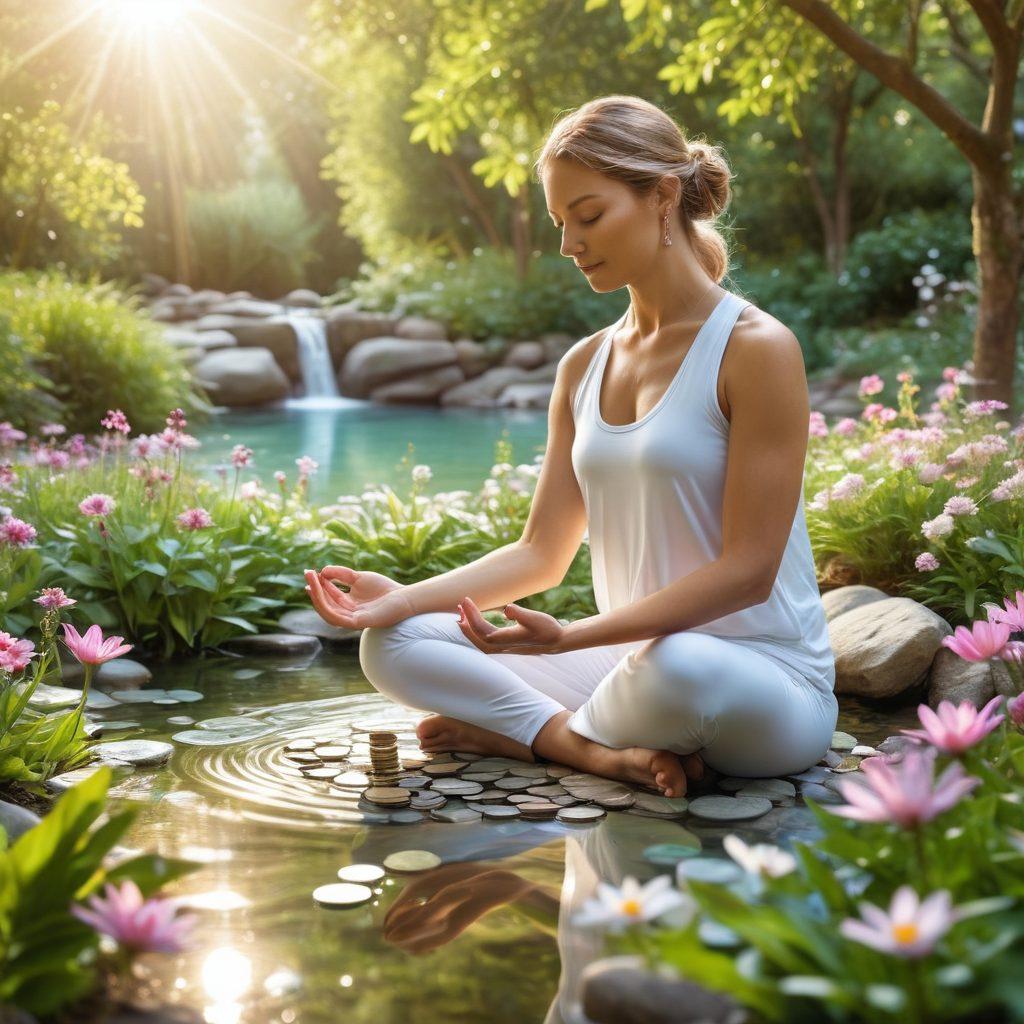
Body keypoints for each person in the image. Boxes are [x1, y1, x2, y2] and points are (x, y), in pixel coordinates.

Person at [305, 94, 838, 800]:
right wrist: (402, 601)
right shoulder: (583, 365)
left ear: (663, 196)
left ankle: (527, 734)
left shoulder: (755, 348)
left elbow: (749, 572)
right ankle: (585, 747)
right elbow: (541, 552)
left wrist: (568, 638)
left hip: (761, 684)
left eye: (589, 216)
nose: (569, 245)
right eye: (561, 223)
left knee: (683, 668)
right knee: (394, 643)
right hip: (628, 670)